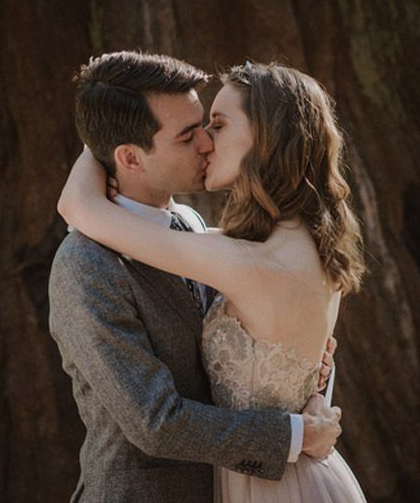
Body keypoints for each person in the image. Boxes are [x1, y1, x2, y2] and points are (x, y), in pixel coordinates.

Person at [58, 60, 369, 502]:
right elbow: (155, 422)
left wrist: (301, 379)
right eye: (190, 134)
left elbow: (79, 203)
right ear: (129, 156)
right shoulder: (86, 265)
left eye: (213, 125)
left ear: (265, 138)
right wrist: (296, 428)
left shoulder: (200, 232)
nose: (205, 142)